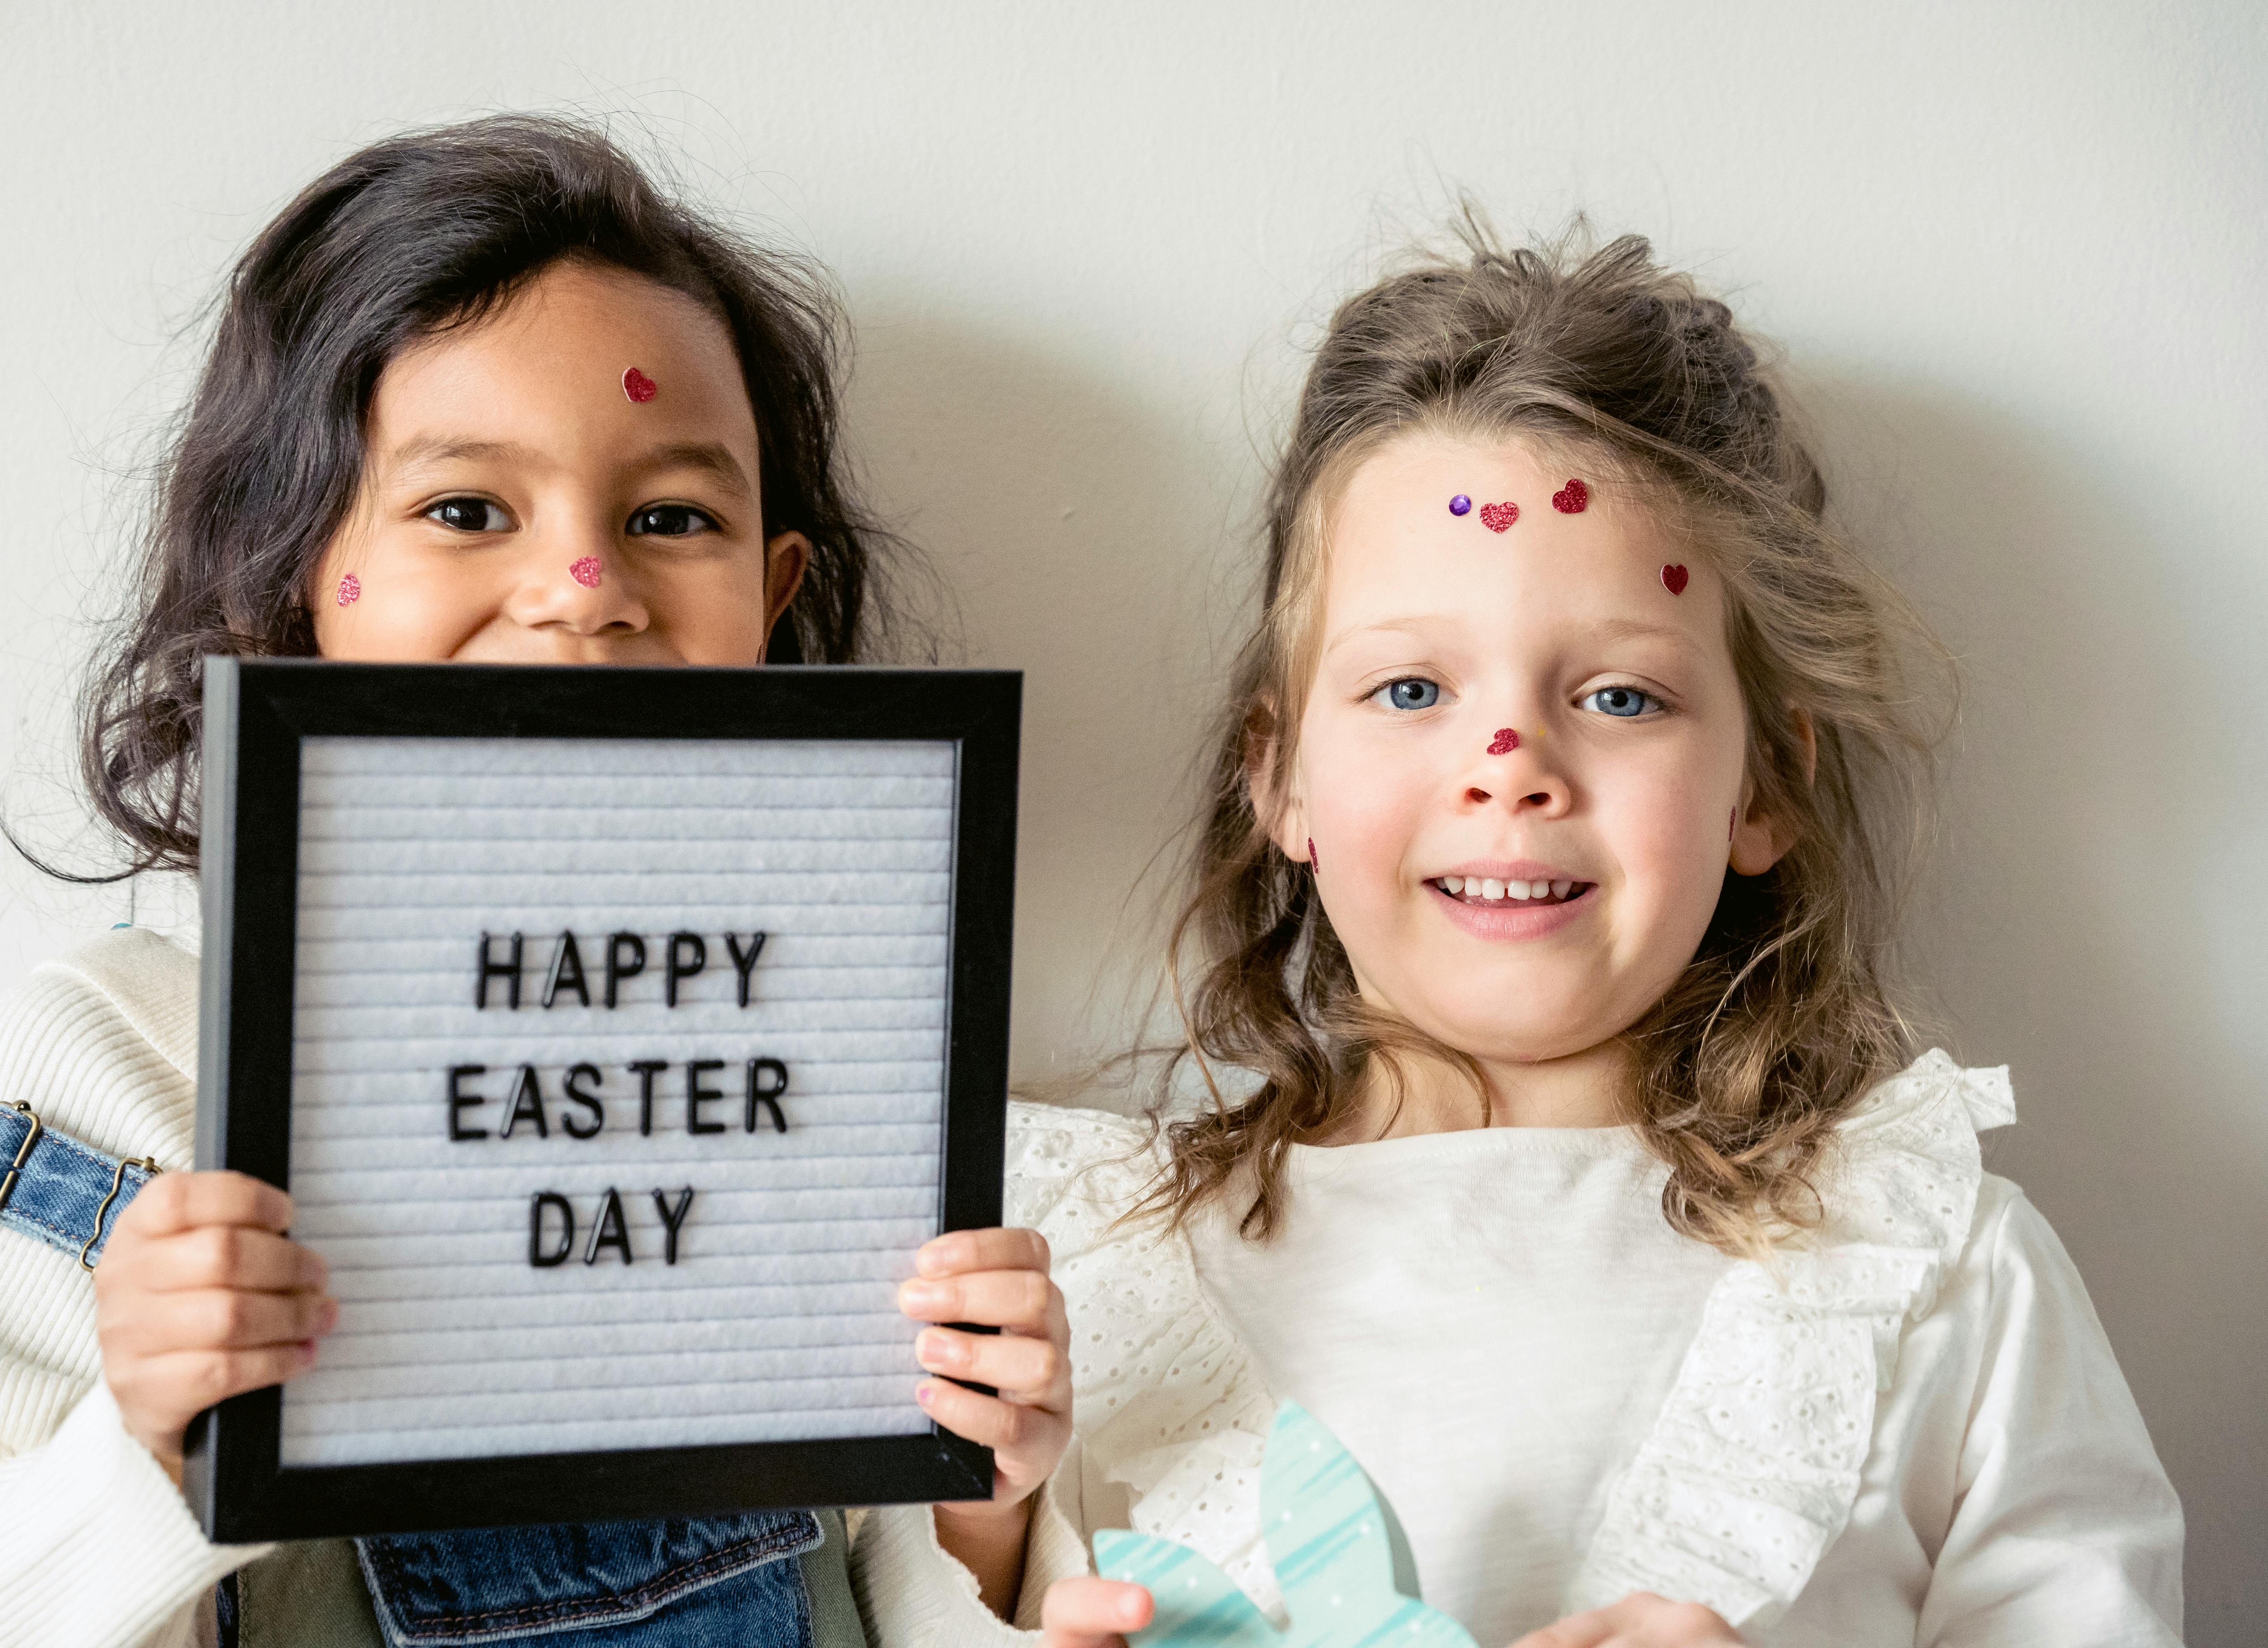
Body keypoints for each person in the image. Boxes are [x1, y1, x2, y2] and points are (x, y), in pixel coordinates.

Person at [0, 114, 1072, 1648]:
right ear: (289, 576)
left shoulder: (843, 1044)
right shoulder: (105, 1062)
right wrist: (144, 1451)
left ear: (771, 598)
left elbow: (903, 1595)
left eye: (673, 518)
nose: (586, 593)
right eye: (467, 510)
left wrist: (986, 1505)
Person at [848, 229, 2184, 1646]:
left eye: (1620, 697)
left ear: (1766, 786)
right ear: (1280, 776)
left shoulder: (1933, 1268)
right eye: (1413, 686)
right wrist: (987, 1539)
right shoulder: (1061, 1280)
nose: (1510, 763)